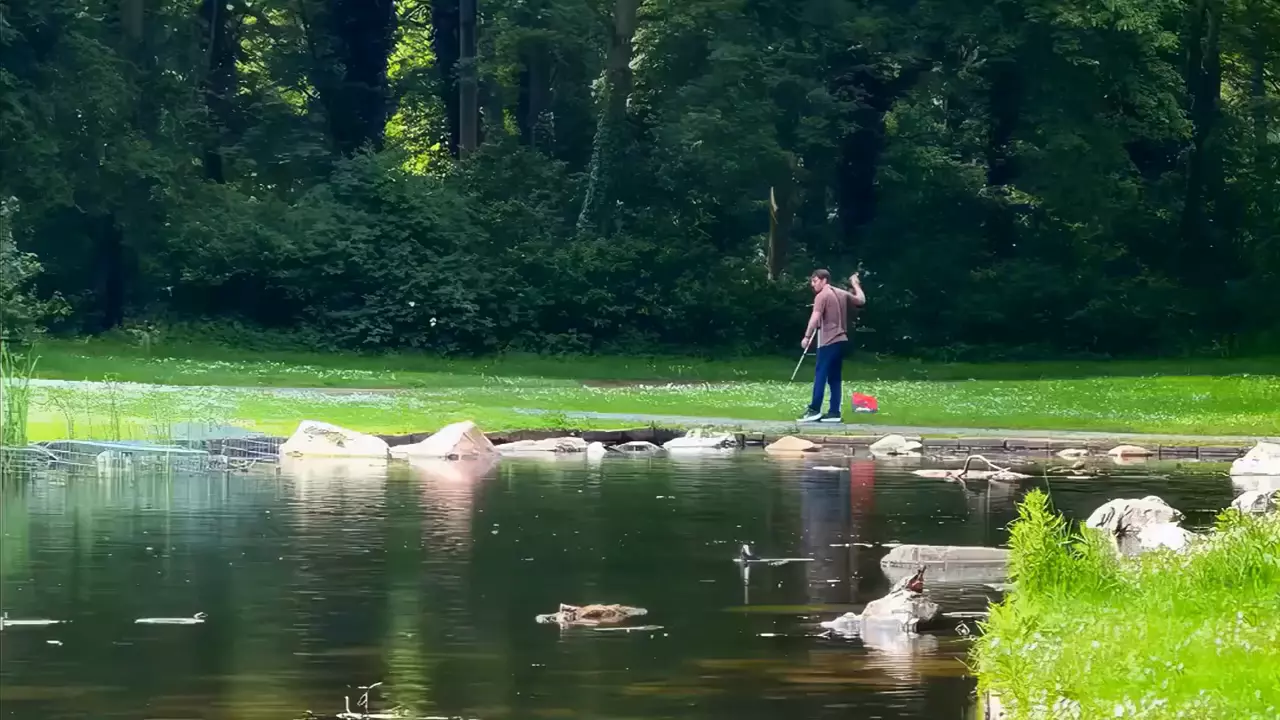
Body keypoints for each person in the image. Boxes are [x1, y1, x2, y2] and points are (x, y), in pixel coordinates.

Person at [798, 269, 865, 423]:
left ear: (824, 280)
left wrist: (807, 336)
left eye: (815, 281)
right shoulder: (841, 293)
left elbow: (815, 316)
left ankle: (814, 410)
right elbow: (861, 300)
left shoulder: (822, 296)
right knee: (834, 377)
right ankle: (834, 413)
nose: (812, 284)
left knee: (820, 374)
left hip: (827, 341)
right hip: (841, 340)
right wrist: (855, 284)